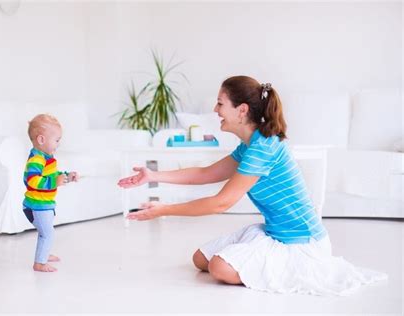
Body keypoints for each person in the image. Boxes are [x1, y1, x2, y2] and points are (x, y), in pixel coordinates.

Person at [118, 76, 387, 295]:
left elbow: (222, 202)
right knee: (201, 260)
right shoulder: (250, 145)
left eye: (220, 103)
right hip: (273, 233)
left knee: (219, 268)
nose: (215, 110)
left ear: (242, 110)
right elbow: (206, 173)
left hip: (301, 244)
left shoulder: (263, 148)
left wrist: (163, 209)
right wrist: (153, 176)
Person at [23, 114, 79, 272]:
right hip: (37, 205)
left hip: (44, 204)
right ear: (41, 140)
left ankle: (44, 253)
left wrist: (67, 176)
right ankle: (39, 263)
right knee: (47, 234)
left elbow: (52, 175)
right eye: (57, 140)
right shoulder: (36, 159)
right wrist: (55, 181)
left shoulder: (47, 158)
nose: (58, 144)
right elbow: (32, 180)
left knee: (46, 233)